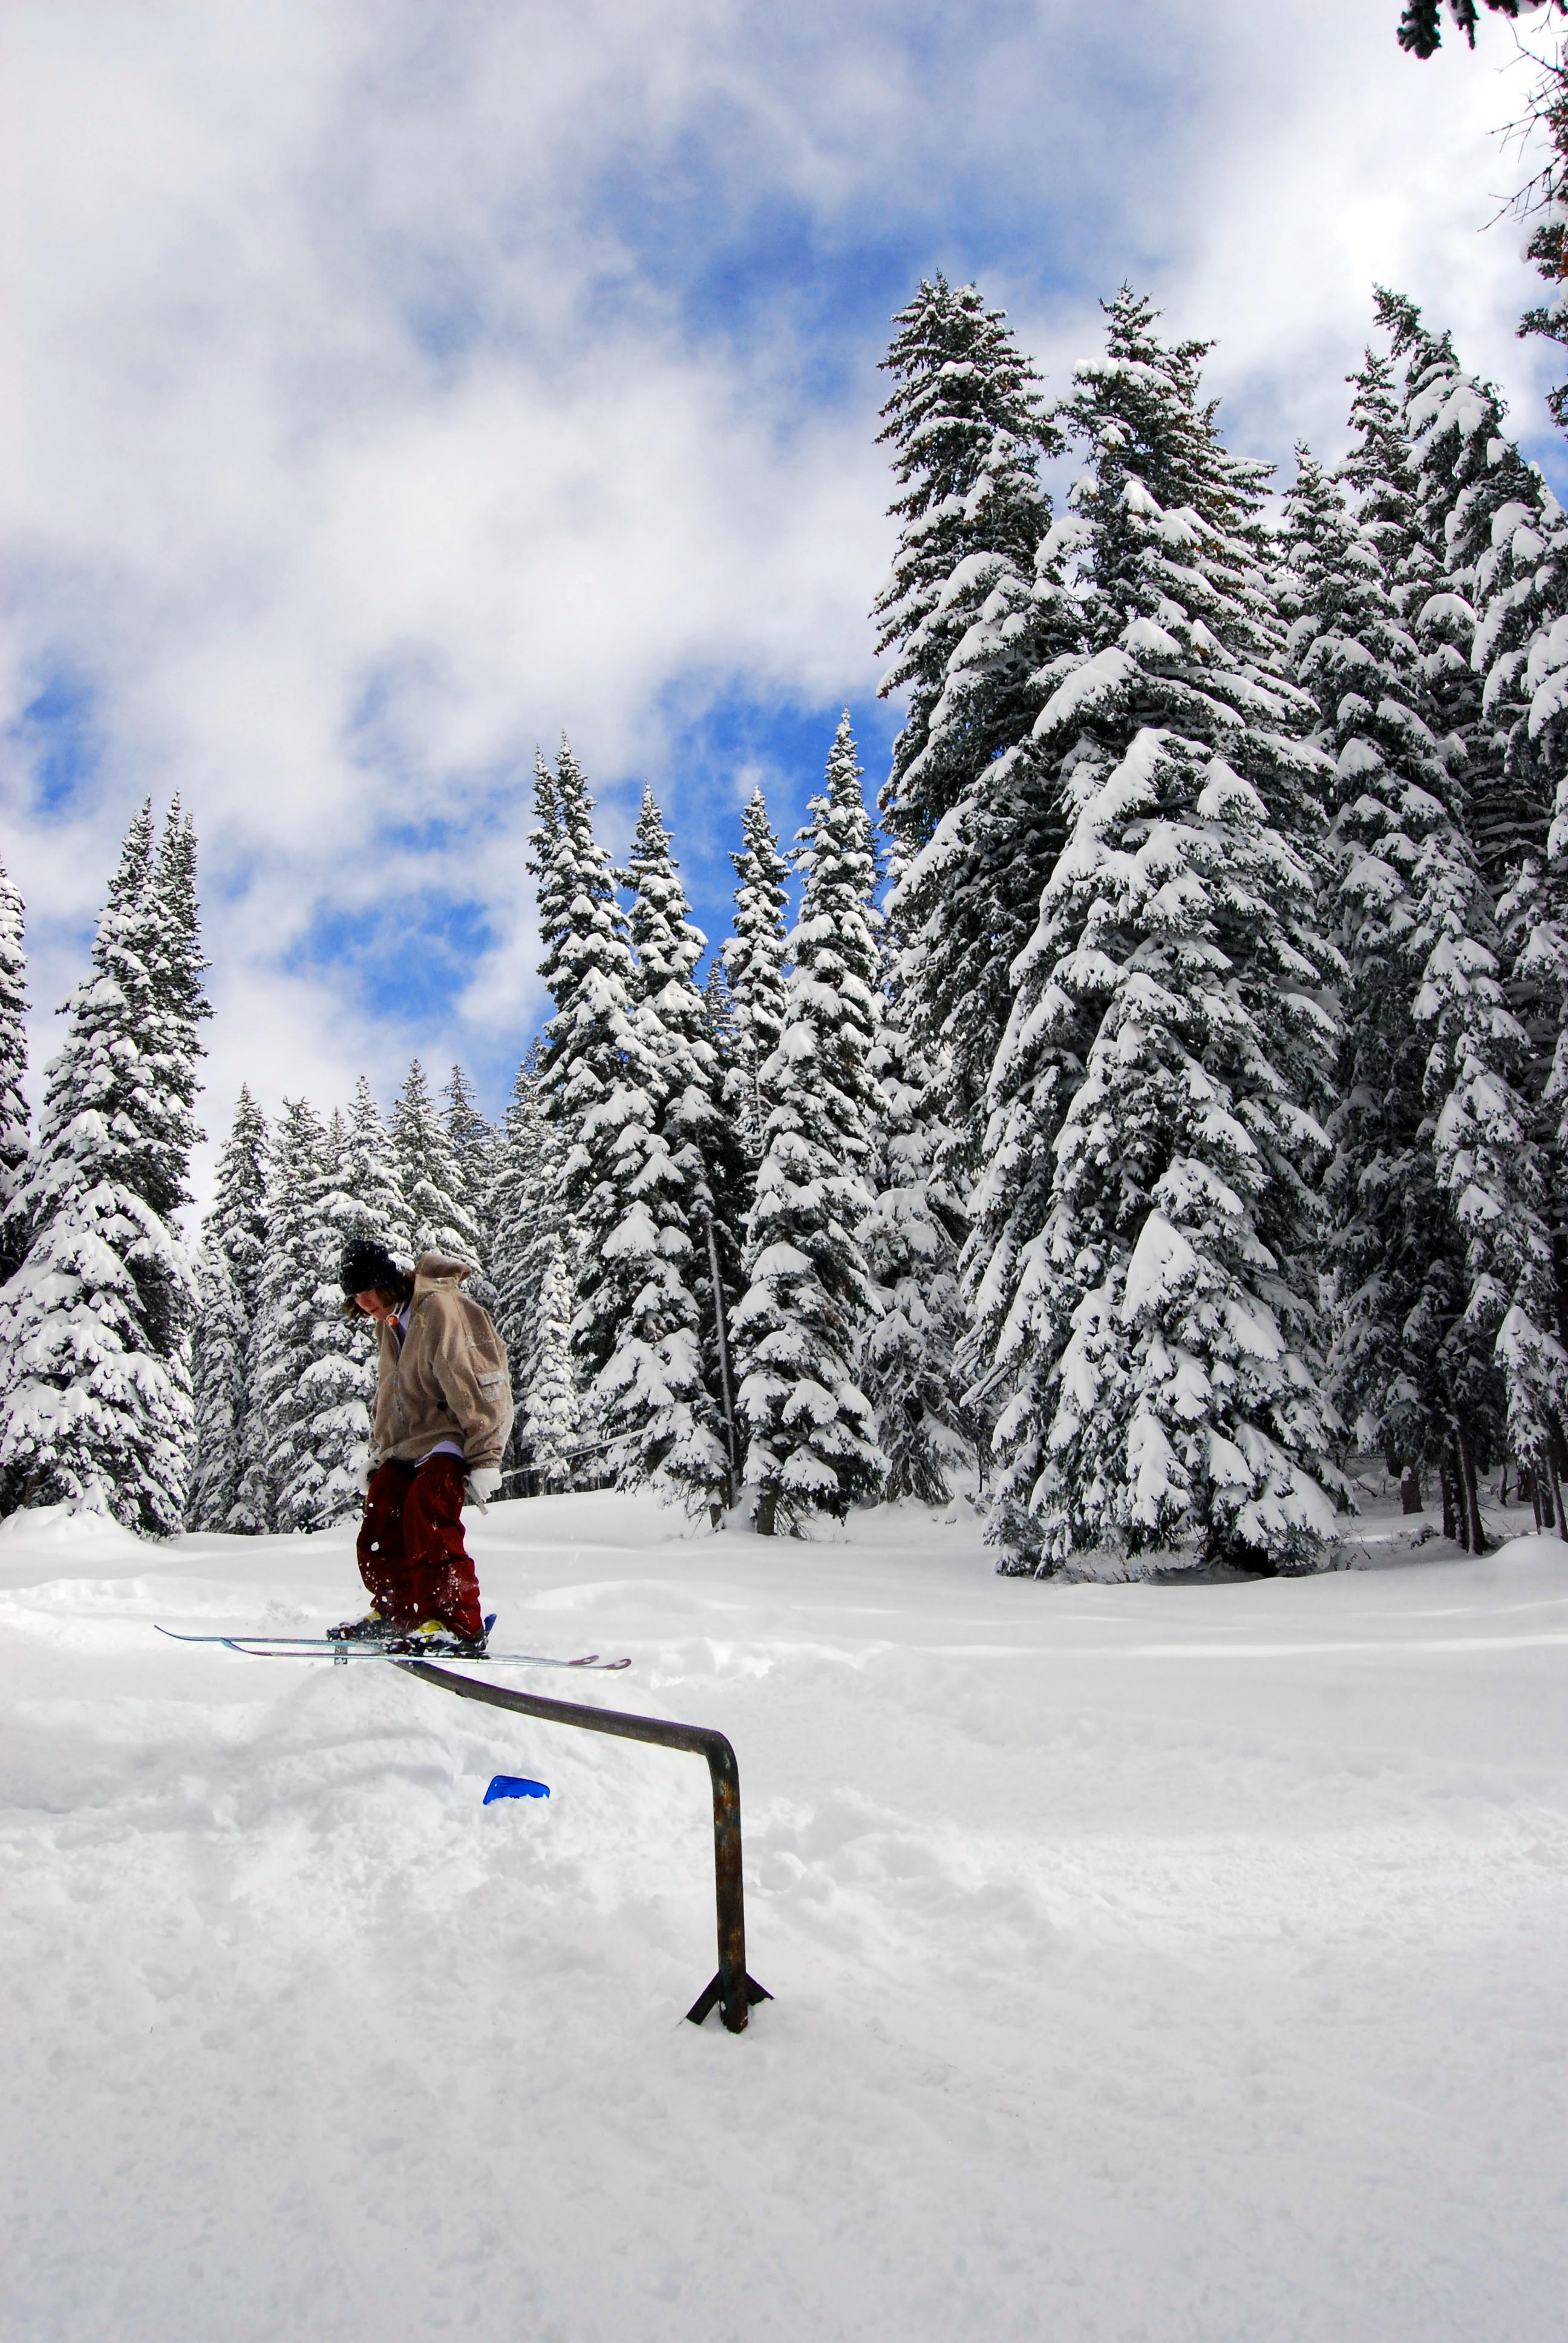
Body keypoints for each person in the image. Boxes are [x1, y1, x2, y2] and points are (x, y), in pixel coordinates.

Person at [332, 1237, 514, 1656]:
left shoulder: (435, 1309)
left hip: (450, 1434)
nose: (364, 1302)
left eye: (369, 1290)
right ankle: (398, 1611)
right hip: (409, 1442)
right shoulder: (389, 1322)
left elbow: (476, 1377)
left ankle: (458, 1623)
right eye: (355, 1296)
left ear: (388, 1282)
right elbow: (390, 1392)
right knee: (384, 1506)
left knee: (426, 1508)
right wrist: (380, 1454)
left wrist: (486, 1456)